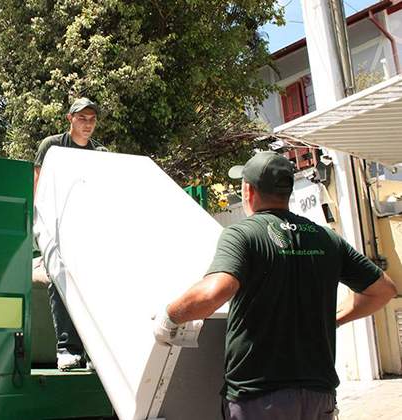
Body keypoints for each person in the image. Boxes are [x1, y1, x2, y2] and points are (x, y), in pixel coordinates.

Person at [152, 151, 397, 419]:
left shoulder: (243, 234)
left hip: (259, 396)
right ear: (287, 191)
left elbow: (214, 292)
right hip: (319, 394)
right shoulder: (326, 238)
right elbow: (383, 291)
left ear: (248, 190)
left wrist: (169, 318)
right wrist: (335, 318)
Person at [34, 97, 101, 370]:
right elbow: (37, 183)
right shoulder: (52, 146)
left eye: (92, 119)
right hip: (55, 226)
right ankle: (66, 349)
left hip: (86, 229)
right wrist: (39, 226)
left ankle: (95, 352)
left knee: (93, 284)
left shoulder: (100, 153)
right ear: (69, 119)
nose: (87, 124)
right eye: (81, 118)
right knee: (59, 281)